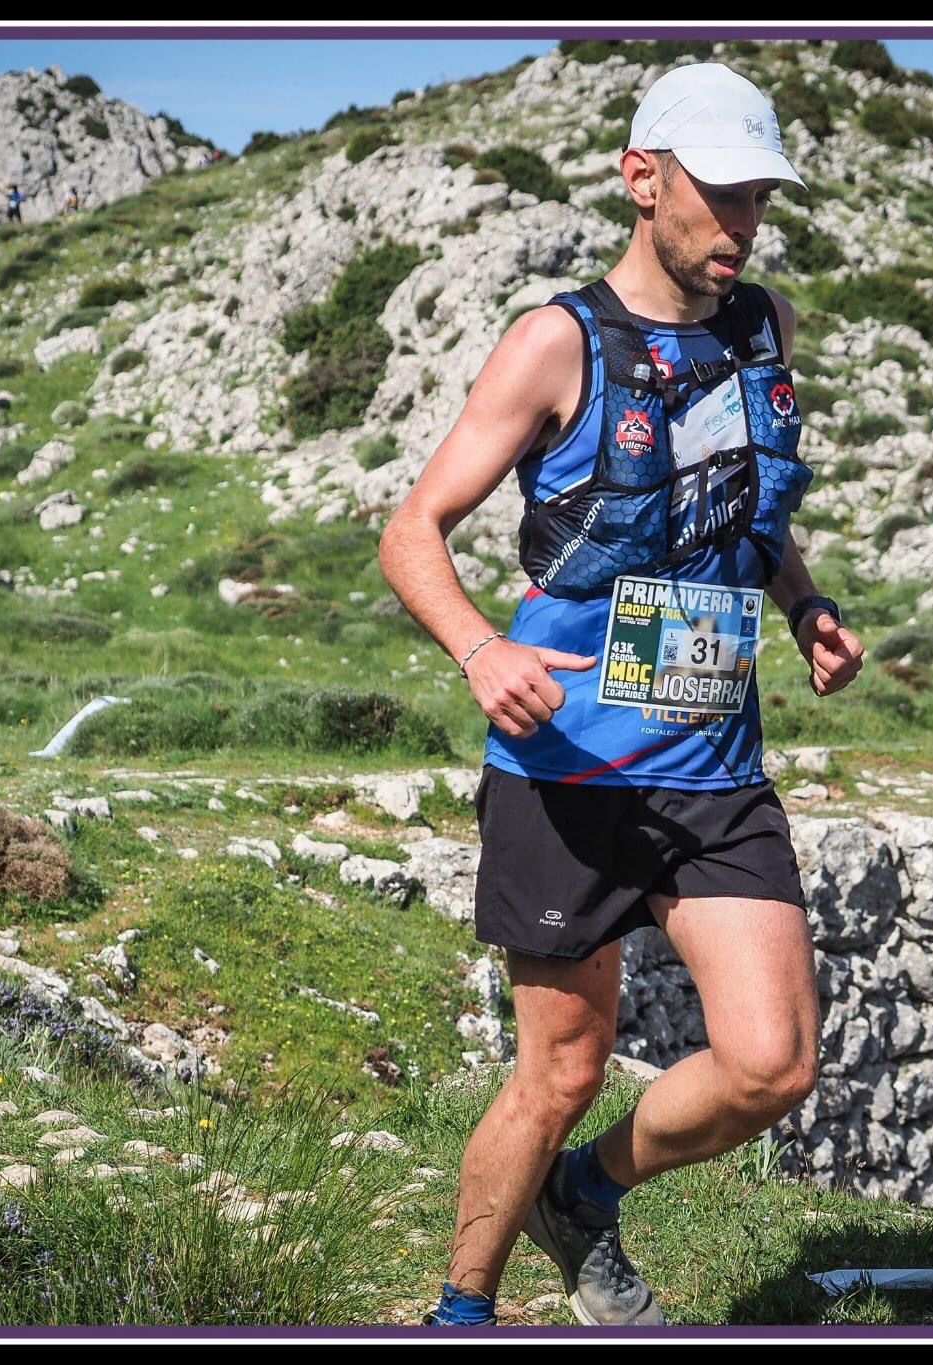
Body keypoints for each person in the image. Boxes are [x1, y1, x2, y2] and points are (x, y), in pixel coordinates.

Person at [379, 62, 864, 1327]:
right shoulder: (555, 342)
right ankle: (460, 1312)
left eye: (759, 197)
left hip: (713, 764)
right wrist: (480, 651)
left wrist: (801, 604)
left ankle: (583, 1195)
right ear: (641, 180)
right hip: (568, 768)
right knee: (560, 1070)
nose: (743, 223)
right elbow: (412, 531)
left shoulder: (764, 328)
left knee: (772, 1064)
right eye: (722, 193)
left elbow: (745, 504)